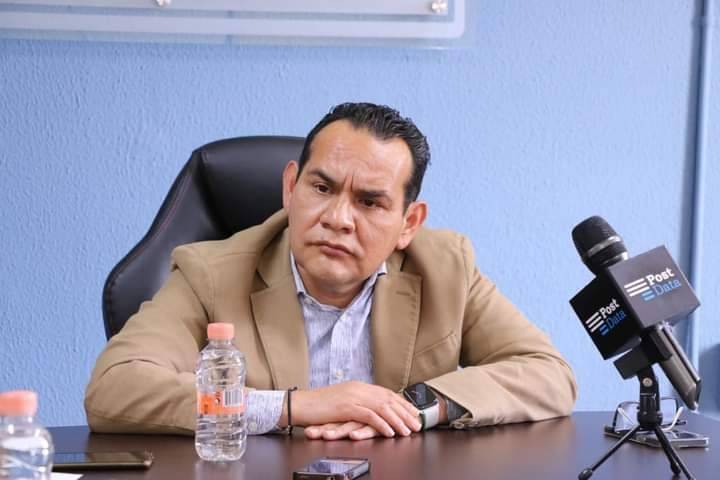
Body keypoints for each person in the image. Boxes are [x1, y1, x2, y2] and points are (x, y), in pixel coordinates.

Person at [85, 102, 577, 441]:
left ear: (408, 224)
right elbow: (114, 388)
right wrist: (292, 406)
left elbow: (548, 373)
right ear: (290, 188)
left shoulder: (446, 267)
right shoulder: (210, 274)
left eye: (369, 202)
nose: (338, 218)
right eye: (321, 189)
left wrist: (419, 405)